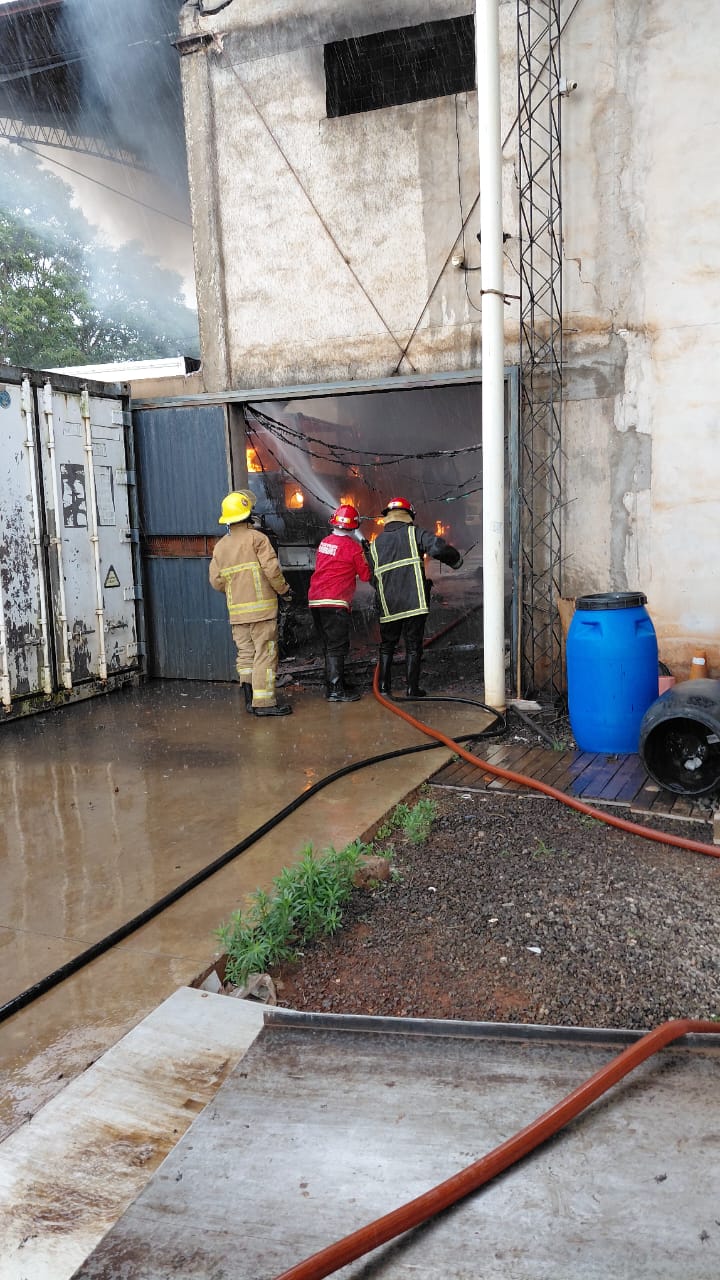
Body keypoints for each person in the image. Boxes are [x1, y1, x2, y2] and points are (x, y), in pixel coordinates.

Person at [209, 489, 293, 717]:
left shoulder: (220, 547)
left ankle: (249, 700)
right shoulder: (257, 539)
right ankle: (264, 703)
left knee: (246, 655)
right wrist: (285, 591)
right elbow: (272, 571)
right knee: (265, 653)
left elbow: (216, 581)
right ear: (248, 514)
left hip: (237, 614)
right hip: (262, 612)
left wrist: (236, 590)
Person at [369, 496, 463, 698]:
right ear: (408, 515)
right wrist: (455, 560)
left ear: (388, 517)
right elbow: (438, 547)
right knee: (413, 646)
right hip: (414, 602)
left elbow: (372, 577)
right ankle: (412, 689)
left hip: (388, 604)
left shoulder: (375, 544)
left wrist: (389, 589)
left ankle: (383, 687)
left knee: (387, 646)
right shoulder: (414, 533)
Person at [308, 504, 372, 702]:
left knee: (328, 645)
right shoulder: (353, 548)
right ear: (354, 526)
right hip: (335, 601)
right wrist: (368, 555)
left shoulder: (325, 542)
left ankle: (334, 683)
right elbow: (366, 575)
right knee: (337, 646)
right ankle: (335, 690)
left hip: (316, 600)